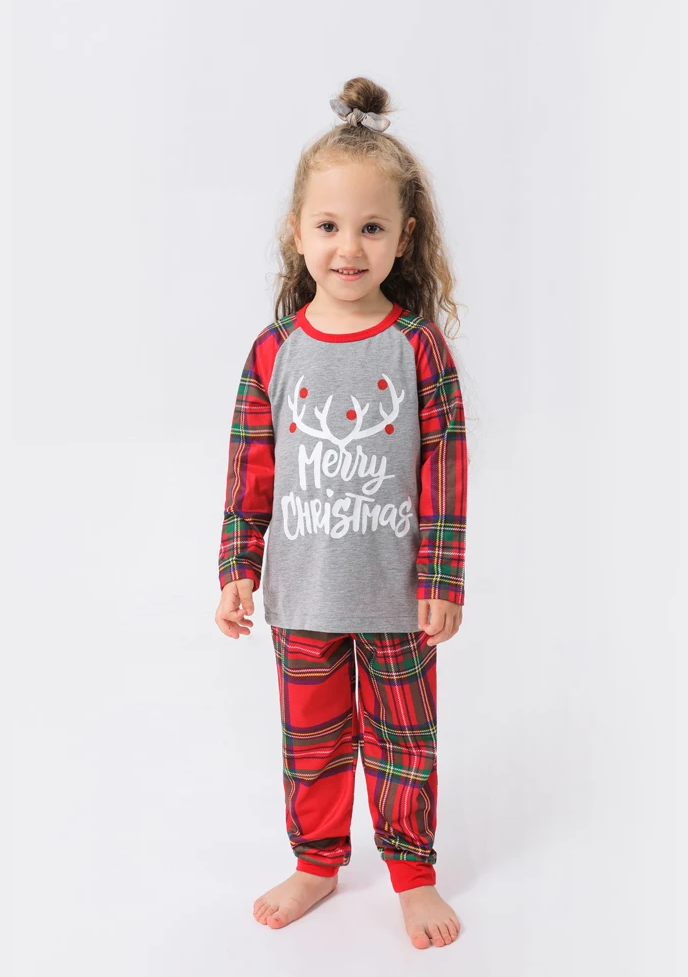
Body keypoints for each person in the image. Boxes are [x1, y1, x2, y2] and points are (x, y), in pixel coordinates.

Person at [214, 77, 469, 950]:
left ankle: (412, 874)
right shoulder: (274, 352)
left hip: (396, 598)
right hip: (305, 595)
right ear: (298, 233)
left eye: (371, 228)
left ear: (405, 236)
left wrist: (441, 580)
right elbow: (250, 469)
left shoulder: (418, 348)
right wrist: (238, 569)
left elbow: (444, 467)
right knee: (312, 743)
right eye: (328, 226)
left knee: (403, 742)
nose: (348, 248)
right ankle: (318, 861)